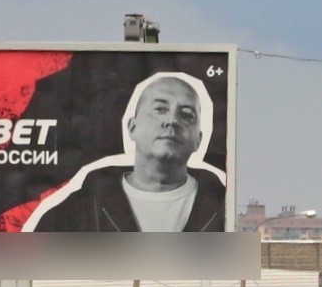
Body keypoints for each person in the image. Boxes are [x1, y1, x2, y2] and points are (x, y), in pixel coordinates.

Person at [22, 74, 228, 232]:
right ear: (132, 127)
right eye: (160, 109)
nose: (172, 121)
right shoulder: (76, 213)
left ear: (198, 140)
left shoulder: (225, 209)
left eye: (187, 115)